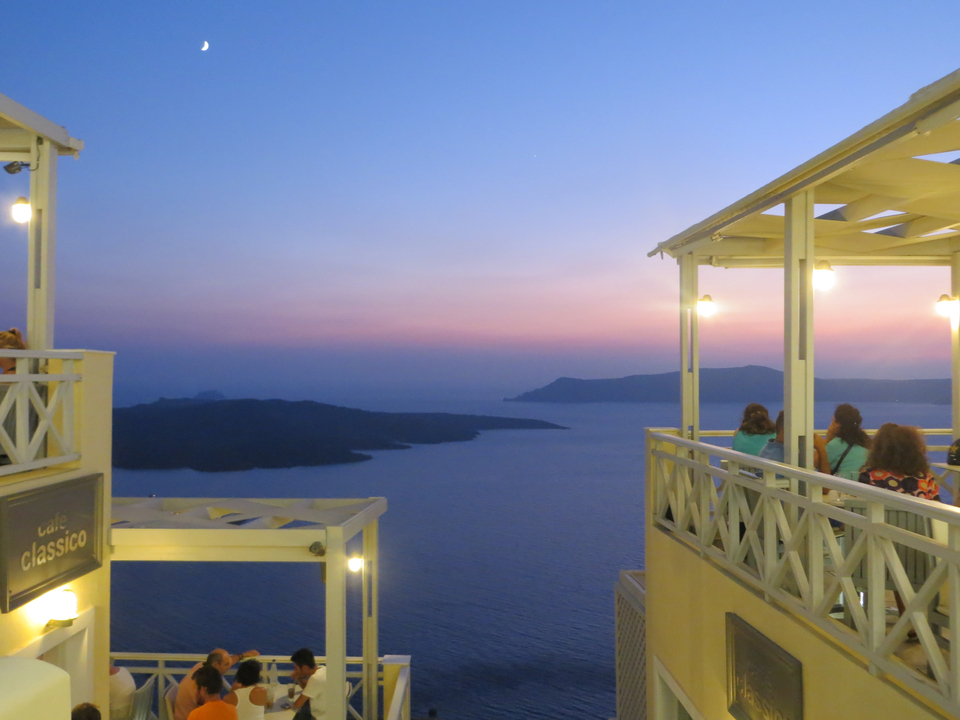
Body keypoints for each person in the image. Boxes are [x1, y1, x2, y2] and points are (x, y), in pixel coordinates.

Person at [858, 423, 940, 500]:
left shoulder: (869, 477)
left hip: (879, 515)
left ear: (879, 450)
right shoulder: (926, 479)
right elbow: (937, 507)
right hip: (918, 515)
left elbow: (858, 504)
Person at [174, 648, 259, 720]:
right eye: (226, 665)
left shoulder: (203, 667)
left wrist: (242, 656)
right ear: (216, 665)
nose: (227, 668)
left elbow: (229, 661)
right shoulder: (197, 683)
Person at [757, 410, 830, 473]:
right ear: (786, 430)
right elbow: (824, 486)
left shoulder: (766, 451)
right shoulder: (786, 458)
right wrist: (821, 448)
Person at [824, 403, 871, 480]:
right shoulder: (866, 442)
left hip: (843, 488)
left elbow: (815, 463)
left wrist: (829, 437)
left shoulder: (836, 444)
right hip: (863, 486)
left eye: (833, 420)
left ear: (837, 424)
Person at [289, 648, 326, 720]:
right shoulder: (323, 669)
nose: (295, 671)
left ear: (305, 667)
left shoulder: (316, 679)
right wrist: (299, 678)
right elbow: (308, 688)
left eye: (296, 668)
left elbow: (297, 705)